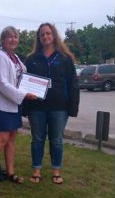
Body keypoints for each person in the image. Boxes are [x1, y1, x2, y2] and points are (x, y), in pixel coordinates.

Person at [23, 22, 80, 185]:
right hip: (37, 108)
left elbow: (73, 84)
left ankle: (56, 170)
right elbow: (25, 84)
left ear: (53, 35)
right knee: (37, 139)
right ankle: (36, 169)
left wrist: (73, 107)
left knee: (56, 139)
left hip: (59, 107)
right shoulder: (32, 59)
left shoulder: (65, 58)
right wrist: (25, 107)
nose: (45, 36)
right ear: (38, 38)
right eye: (42, 34)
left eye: (48, 33)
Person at [0, 26, 37, 188]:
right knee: (1, 139)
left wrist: (31, 88)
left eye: (15, 37)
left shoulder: (14, 57)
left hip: (13, 104)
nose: (13, 40)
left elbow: (21, 78)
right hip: (1, 104)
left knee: (12, 138)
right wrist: (23, 95)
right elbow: (2, 84)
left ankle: (11, 172)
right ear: (3, 40)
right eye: (9, 37)